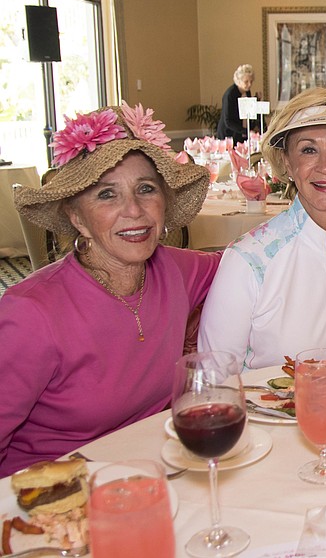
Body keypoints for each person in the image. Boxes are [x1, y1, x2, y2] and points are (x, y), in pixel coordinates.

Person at [0, 102, 220, 477]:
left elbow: (252, 260)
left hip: (155, 476)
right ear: (75, 217)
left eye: (146, 189)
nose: (133, 210)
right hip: (56, 497)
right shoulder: (30, 314)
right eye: (107, 194)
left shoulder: (174, 270)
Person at [198, 87, 326, 368]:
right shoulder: (248, 261)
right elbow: (215, 380)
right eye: (308, 150)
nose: (325, 166)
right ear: (288, 163)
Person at [216, 64, 255, 143]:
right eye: (246, 82)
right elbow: (228, 121)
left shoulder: (247, 92)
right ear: (238, 81)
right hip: (228, 134)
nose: (249, 84)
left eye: (251, 81)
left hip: (240, 133)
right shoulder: (230, 94)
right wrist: (245, 131)